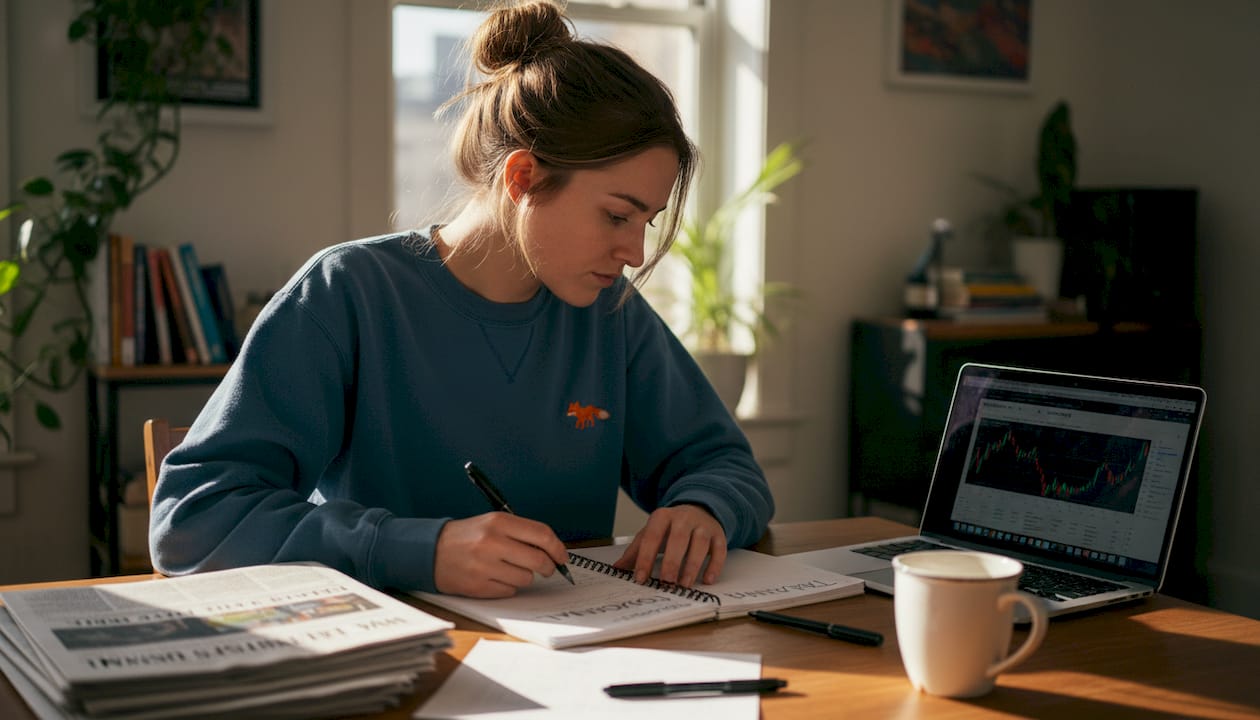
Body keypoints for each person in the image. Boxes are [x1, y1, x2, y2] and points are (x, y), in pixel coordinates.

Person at [150, 0, 774, 599]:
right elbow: (192, 521)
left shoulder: (610, 316)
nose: (635, 253)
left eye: (647, 221)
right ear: (523, 178)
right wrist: (422, 550)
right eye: (616, 216)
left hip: (573, 665)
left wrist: (702, 508)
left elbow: (728, 467)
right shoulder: (347, 294)